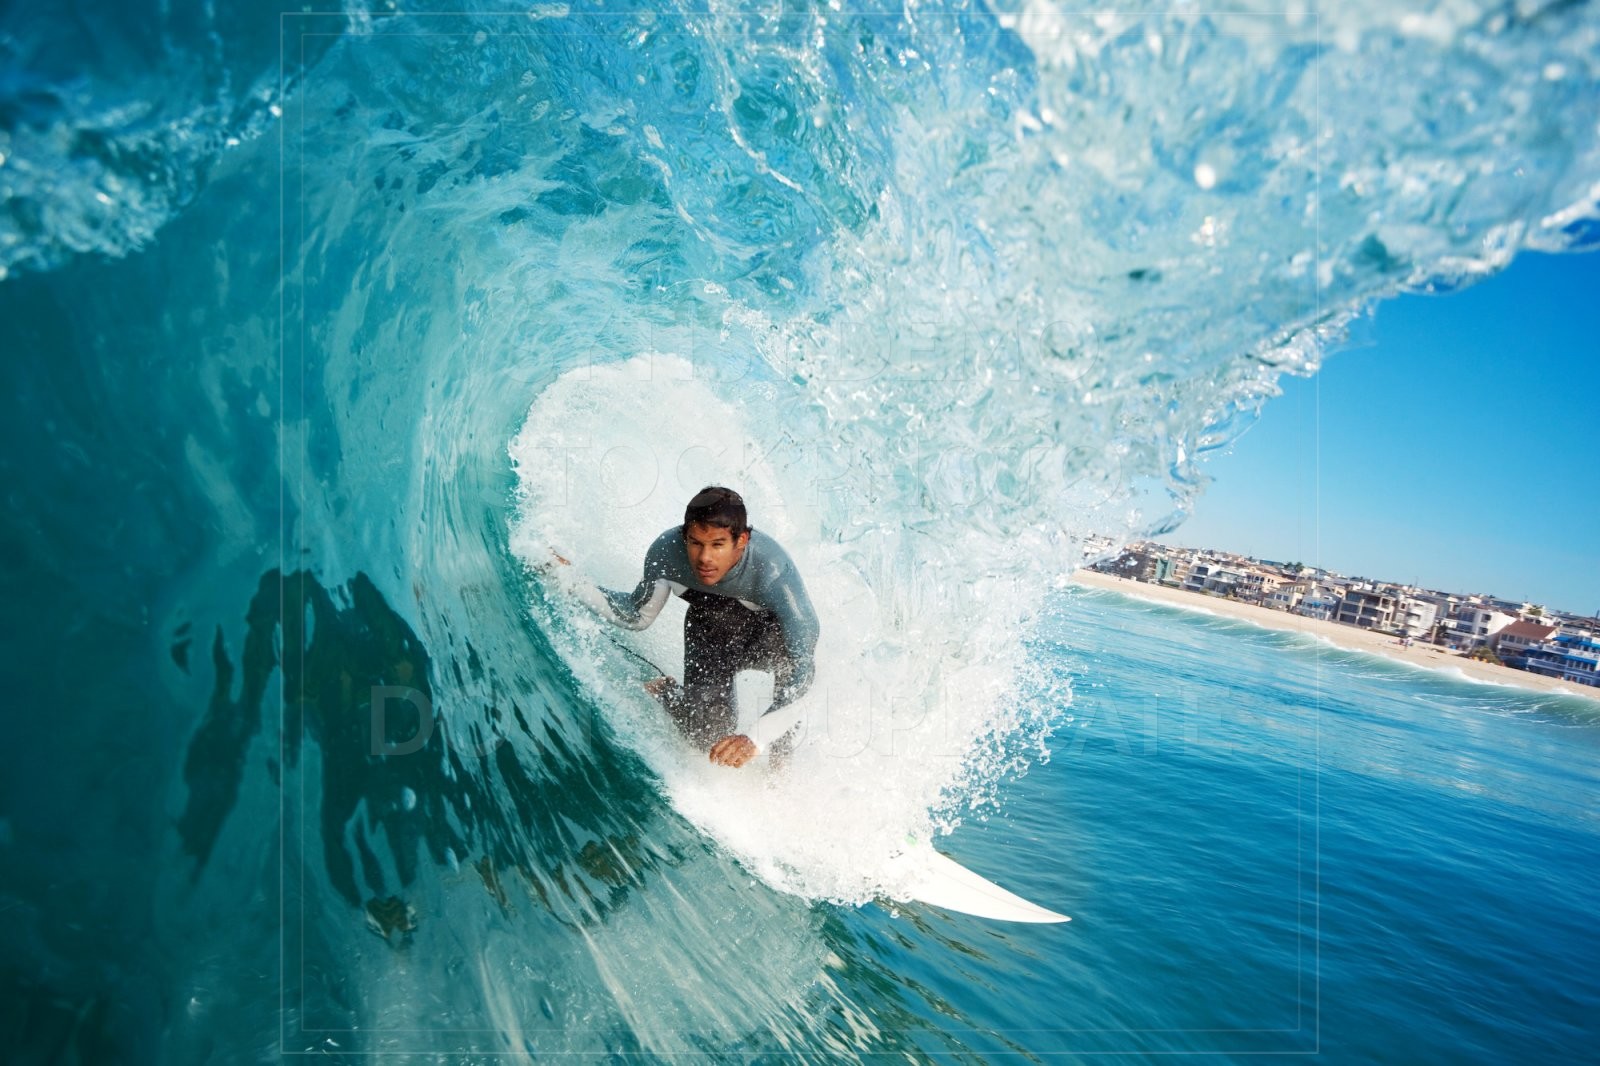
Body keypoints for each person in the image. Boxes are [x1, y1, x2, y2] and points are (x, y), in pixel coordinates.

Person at [556, 486, 819, 768]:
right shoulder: (667, 552)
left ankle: (778, 774)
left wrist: (756, 737)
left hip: (767, 641)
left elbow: (803, 671)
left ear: (741, 540)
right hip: (710, 633)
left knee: (787, 686)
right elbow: (637, 615)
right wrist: (568, 579)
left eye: (717, 544)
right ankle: (668, 692)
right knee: (705, 736)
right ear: (685, 536)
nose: (704, 558)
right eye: (695, 543)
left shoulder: (773, 572)